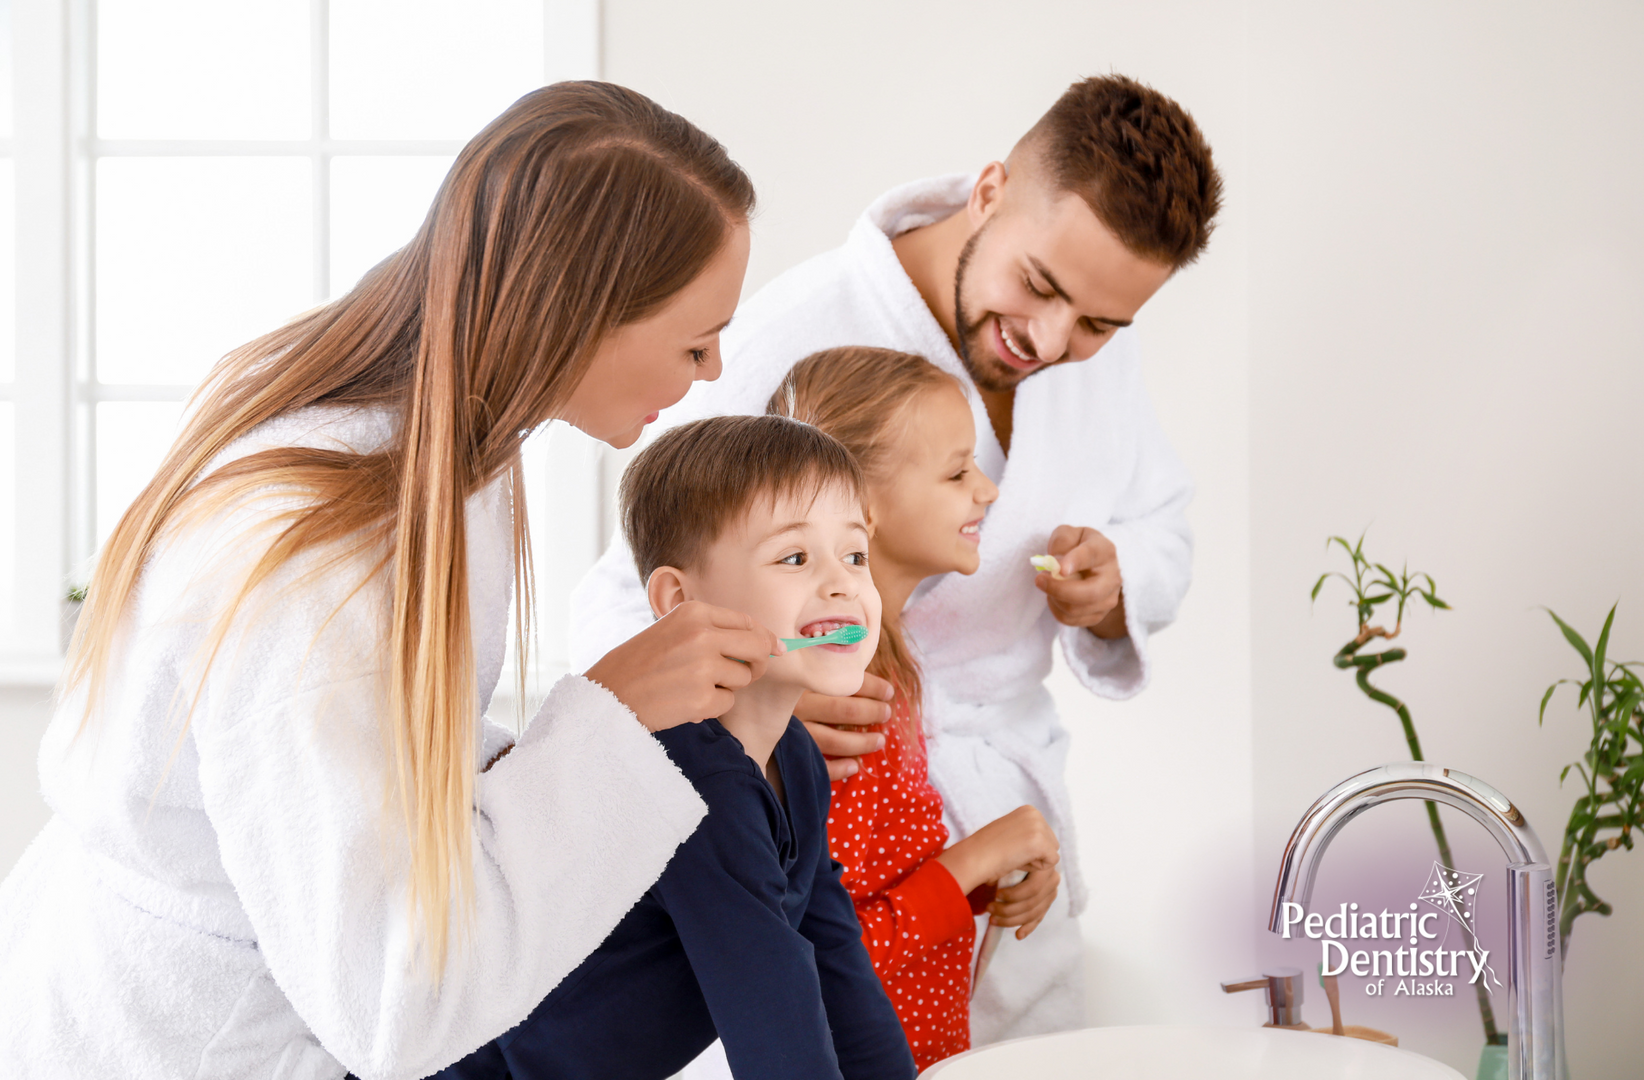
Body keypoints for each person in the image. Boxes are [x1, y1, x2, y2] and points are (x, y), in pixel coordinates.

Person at [0, 82, 786, 1080]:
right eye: (693, 340)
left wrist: (638, 727)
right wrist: (614, 718)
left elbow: (377, 759)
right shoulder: (315, 564)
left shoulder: (452, 454)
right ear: (578, 315)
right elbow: (394, 1000)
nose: (717, 368)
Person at [570, 74, 1223, 1042]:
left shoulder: (1095, 350)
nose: (1052, 340)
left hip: (1002, 816)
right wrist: (771, 695)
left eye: (1098, 324)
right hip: (844, 792)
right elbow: (638, 590)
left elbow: (1163, 517)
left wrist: (1118, 575)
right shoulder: (791, 338)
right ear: (990, 191)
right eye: (1039, 287)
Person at [433, 414, 915, 1080]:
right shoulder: (693, 778)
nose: (842, 584)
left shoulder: (796, 760)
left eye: (855, 555)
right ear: (679, 600)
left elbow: (835, 964)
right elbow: (776, 1024)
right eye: (796, 558)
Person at [766, 346, 1057, 1068]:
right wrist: (979, 854)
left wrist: (995, 872)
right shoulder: (843, 696)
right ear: (864, 505)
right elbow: (829, 952)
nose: (986, 491)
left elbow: (880, 890)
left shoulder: (888, 664)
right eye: (958, 472)